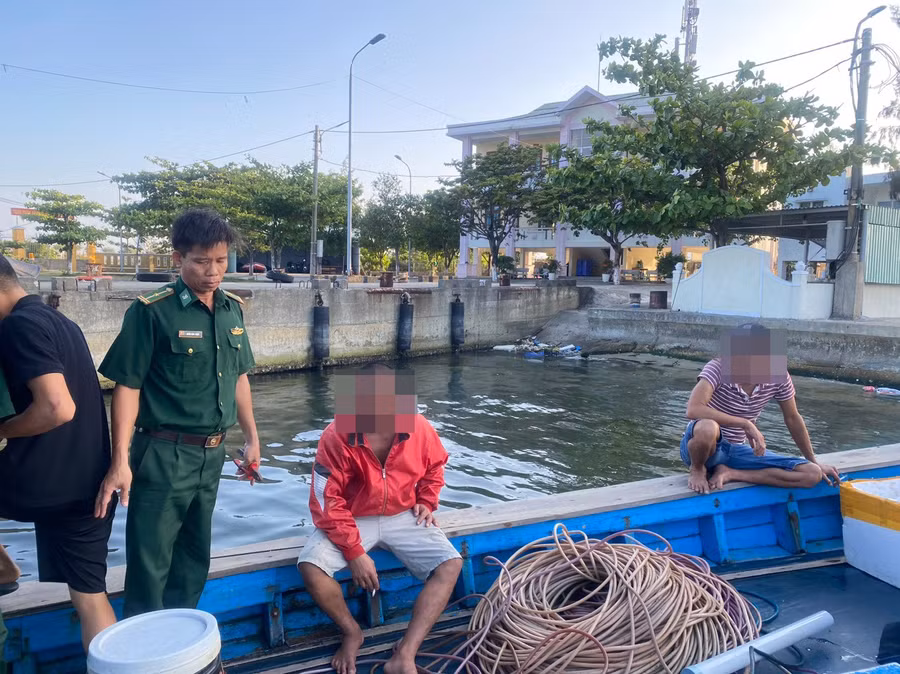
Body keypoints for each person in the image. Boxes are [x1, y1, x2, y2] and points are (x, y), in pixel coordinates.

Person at [97, 208, 260, 617]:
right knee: (150, 565)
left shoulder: (231, 310)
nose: (213, 271)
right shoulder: (152, 311)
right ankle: (144, 653)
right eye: (201, 261)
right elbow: (128, 386)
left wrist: (253, 439)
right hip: (164, 453)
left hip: (213, 454)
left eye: (221, 260)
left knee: (193, 559)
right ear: (178, 259)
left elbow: (239, 377)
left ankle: (181, 645)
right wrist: (120, 461)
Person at [298, 364, 462, 674]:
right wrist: (355, 552)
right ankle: (352, 632)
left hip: (403, 512)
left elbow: (436, 465)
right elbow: (326, 500)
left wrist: (427, 499)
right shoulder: (336, 434)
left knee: (451, 563)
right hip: (352, 517)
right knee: (311, 567)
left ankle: (406, 653)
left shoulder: (419, 427)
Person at [0, 254, 117, 650]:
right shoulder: (64, 323)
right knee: (89, 597)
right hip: (92, 489)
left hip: (42, 487)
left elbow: (57, 407)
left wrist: (3, 430)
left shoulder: (18, 325)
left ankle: (3, 567)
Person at [681, 324, 840, 494]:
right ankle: (697, 470)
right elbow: (693, 409)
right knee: (708, 428)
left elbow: (792, 418)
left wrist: (812, 460)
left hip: (736, 451)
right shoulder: (717, 368)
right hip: (702, 447)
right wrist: (746, 424)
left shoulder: (778, 375)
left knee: (811, 474)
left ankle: (731, 473)